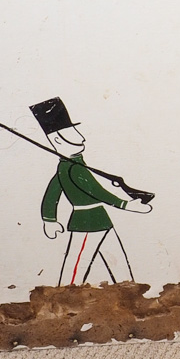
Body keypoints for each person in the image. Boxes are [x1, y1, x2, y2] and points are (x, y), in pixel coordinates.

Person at [30, 97, 152, 286]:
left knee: (118, 264)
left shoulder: (69, 165)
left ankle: (130, 295)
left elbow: (53, 193)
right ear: (56, 139)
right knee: (76, 268)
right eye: (70, 131)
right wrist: (126, 204)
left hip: (99, 219)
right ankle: (63, 300)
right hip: (87, 222)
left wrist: (49, 219)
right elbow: (96, 191)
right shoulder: (72, 167)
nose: (80, 137)